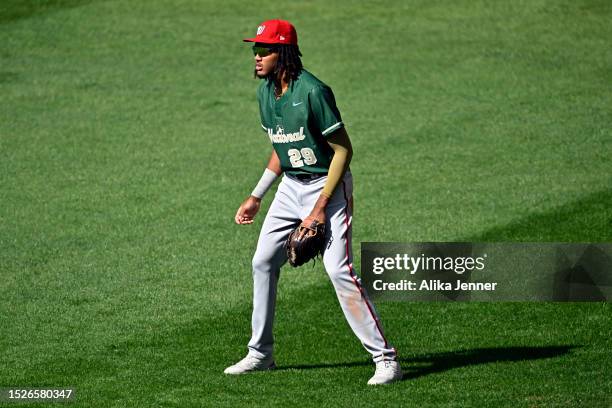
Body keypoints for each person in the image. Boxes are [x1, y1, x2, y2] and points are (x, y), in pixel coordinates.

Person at [224, 19, 402, 385]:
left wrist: (321, 207)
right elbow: (282, 146)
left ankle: (385, 359)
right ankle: (260, 353)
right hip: (290, 186)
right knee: (262, 261)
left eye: (264, 49)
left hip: (328, 186)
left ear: (283, 53)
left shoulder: (314, 91)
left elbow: (343, 150)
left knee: (339, 270)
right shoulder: (265, 94)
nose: (256, 57)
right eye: (255, 49)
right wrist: (257, 195)